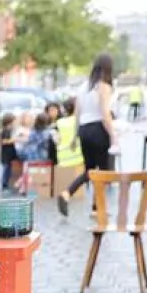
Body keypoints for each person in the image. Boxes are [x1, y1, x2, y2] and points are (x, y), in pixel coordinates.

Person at [56, 54, 117, 217]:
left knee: (89, 170)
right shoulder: (103, 86)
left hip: (84, 130)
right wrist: (113, 135)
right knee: (104, 170)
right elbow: (105, 113)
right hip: (99, 129)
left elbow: (77, 114)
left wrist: (75, 136)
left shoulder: (83, 87)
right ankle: (98, 207)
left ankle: (67, 193)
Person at [0, 112, 18, 193]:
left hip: (9, 155)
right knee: (6, 170)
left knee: (8, 170)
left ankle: (6, 185)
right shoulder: (6, 130)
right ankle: (4, 185)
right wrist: (14, 140)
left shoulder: (10, 130)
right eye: (14, 121)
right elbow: (3, 141)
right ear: (10, 122)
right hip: (6, 155)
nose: (15, 123)